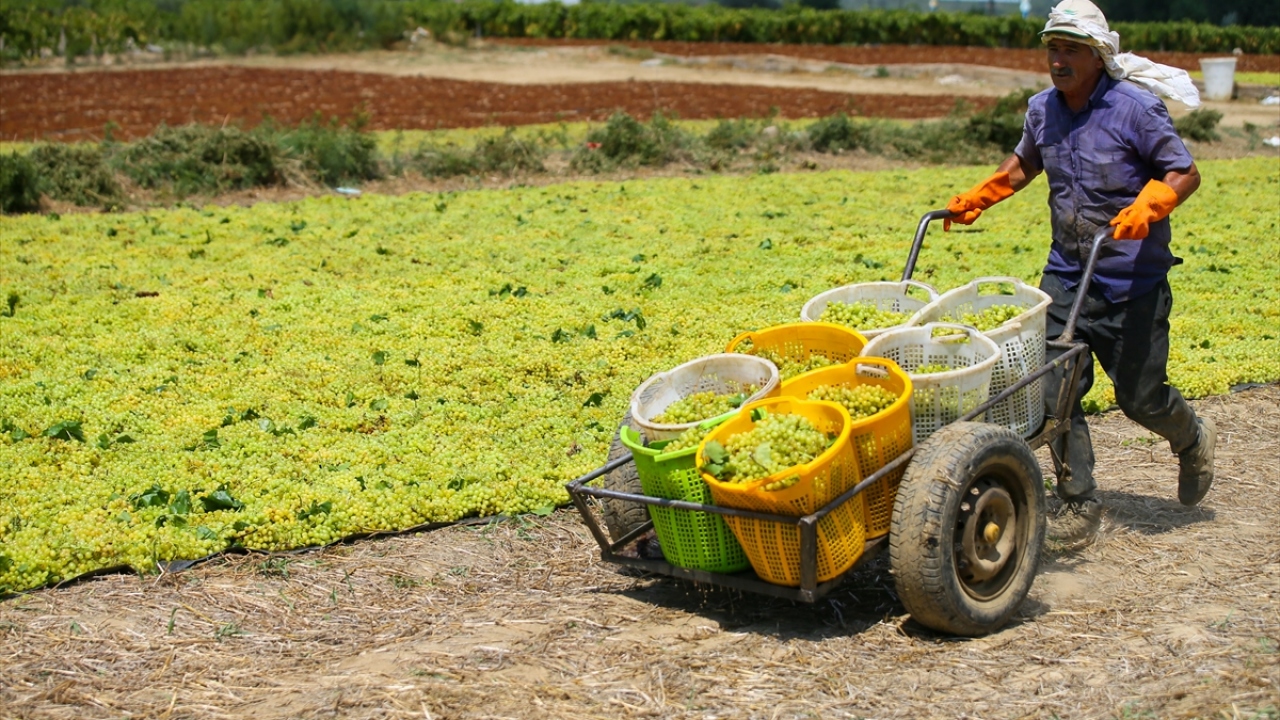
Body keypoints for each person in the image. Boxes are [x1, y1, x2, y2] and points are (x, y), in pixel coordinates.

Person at [943, 0, 1216, 543]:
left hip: (1128, 279)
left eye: (1070, 50)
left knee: (1140, 399)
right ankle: (1078, 499)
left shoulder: (1135, 109)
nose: (1058, 61)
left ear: (1097, 56)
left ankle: (1191, 438)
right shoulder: (1043, 108)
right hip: (1067, 272)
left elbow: (1184, 172)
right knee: (1052, 389)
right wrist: (982, 195)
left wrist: (1151, 206)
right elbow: (1026, 160)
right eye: (1052, 49)